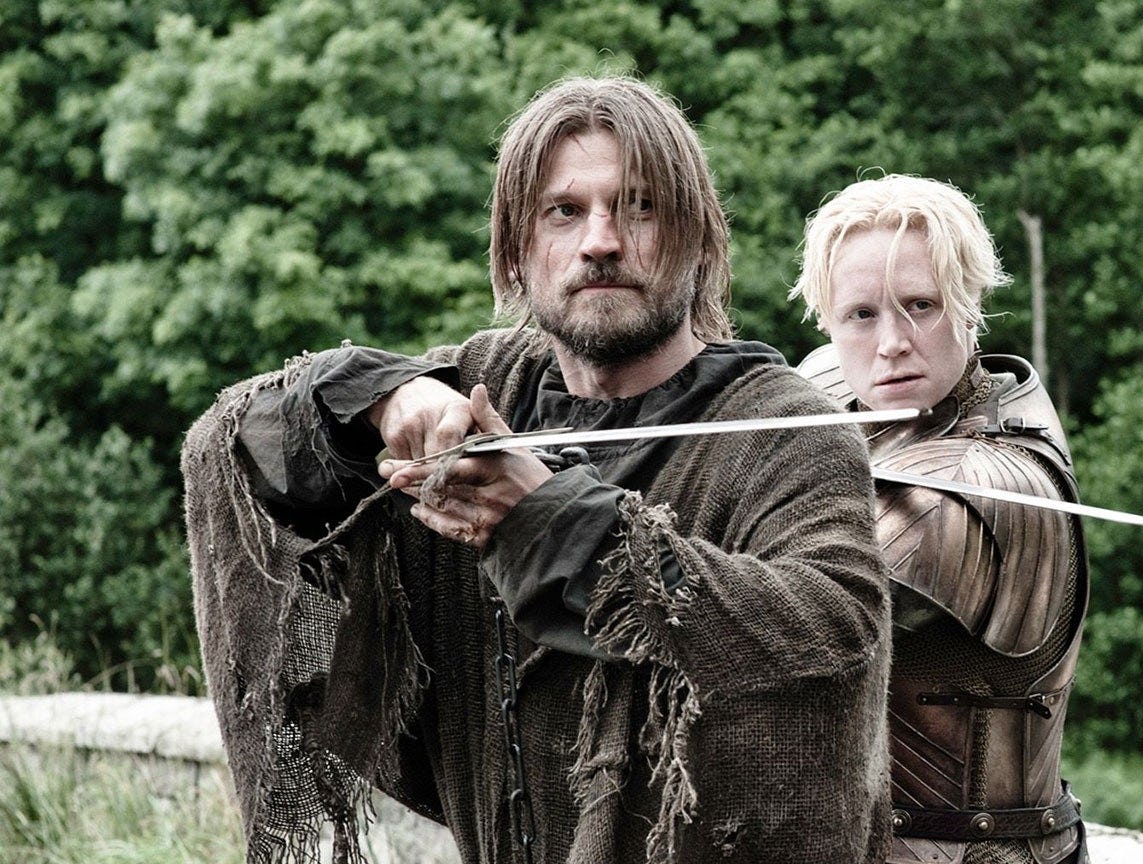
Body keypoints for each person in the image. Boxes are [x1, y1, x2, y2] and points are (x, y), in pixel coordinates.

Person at [183, 76, 891, 864]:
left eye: (640, 207)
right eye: (564, 211)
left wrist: (554, 520)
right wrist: (383, 394)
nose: (601, 241)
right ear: (517, 251)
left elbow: (835, 630)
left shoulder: (785, 429)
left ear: (695, 238)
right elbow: (233, 439)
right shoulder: (487, 387)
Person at [791, 174, 1090, 864]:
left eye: (920, 305)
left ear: (970, 299)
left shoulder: (978, 487)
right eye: (860, 314)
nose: (891, 342)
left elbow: (776, 627)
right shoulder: (836, 384)